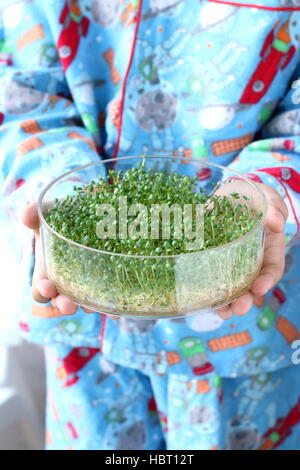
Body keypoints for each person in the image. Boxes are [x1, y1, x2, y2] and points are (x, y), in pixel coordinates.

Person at [1, 0, 300, 450]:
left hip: (246, 339)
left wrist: (266, 189)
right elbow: (23, 92)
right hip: (86, 329)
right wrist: (58, 191)